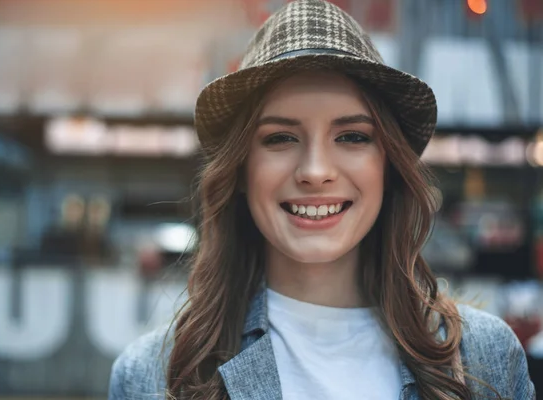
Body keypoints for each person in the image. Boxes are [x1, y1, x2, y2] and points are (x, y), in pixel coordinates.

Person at [108, 1, 536, 399]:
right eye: (280, 138)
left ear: (389, 165)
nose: (315, 171)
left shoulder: (486, 359)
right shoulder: (153, 375)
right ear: (240, 170)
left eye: (352, 136)